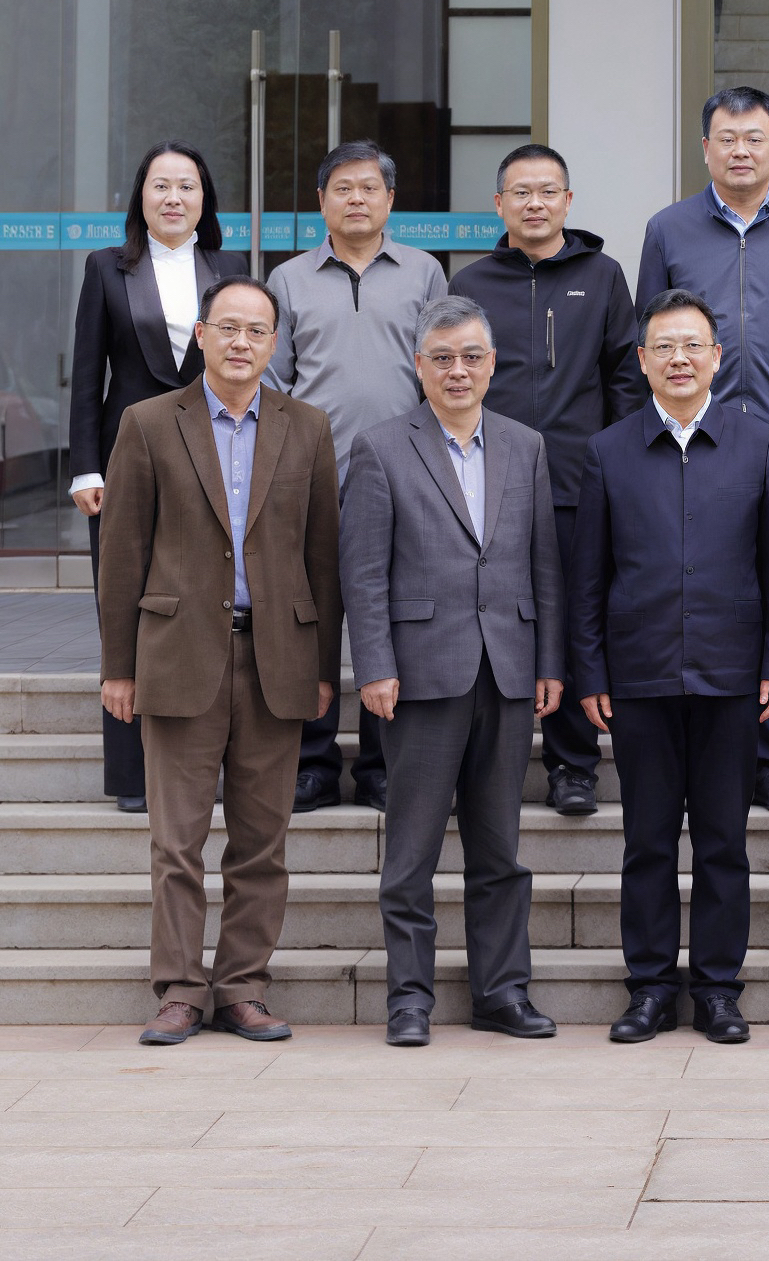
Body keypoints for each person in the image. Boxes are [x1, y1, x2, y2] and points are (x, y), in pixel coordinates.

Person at [96, 274, 340, 1048]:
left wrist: (323, 667)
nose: (241, 342)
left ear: (274, 344)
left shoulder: (308, 428)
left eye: (256, 331)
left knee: (261, 842)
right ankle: (178, 990)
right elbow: (121, 551)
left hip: (277, 659)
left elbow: (323, 557)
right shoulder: (147, 422)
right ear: (201, 336)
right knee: (176, 843)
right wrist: (118, 667)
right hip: (177, 656)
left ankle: (242, 988)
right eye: (227, 328)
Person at [570, 288, 769, 1047]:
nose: (679, 359)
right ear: (641, 360)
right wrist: (591, 673)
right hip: (639, 675)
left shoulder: (758, 444)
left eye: (693, 345)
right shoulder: (608, 451)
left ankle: (718, 991)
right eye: (664, 346)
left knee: (724, 841)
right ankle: (649, 988)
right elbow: (588, 577)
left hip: (732, 675)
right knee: (647, 841)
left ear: (716, 357)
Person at [339, 295, 563, 1048]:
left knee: (500, 850)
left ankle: (502, 993)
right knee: (411, 851)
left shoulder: (526, 445)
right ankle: (409, 999)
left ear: (492, 364)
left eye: (470, 356)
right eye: (442, 358)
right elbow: (362, 572)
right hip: (419, 675)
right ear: (419, 366)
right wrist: (374, 664)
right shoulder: (379, 449)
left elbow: (544, 564)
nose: (457, 371)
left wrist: (549, 661)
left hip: (508, 670)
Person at [638, 87, 769, 817]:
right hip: (693, 448)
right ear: (705, 148)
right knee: (703, 593)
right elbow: (648, 341)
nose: (740, 151)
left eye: (754, 138)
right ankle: (706, 755)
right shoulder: (668, 230)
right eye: (726, 138)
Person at [448, 141, 645, 819]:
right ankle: (475, 767)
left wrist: (616, 465)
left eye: (547, 191)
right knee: (485, 619)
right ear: (498, 204)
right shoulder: (470, 283)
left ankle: (573, 765)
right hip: (485, 483)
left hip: (575, 482)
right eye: (520, 193)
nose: (534, 203)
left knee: (571, 620)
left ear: (567, 201)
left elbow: (625, 378)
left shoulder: (603, 275)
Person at [267, 139, 451, 814]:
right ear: (320, 201)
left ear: (390, 199)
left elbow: (442, 372)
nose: (355, 199)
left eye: (369, 187)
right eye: (341, 188)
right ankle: (312, 765)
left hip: (403, 481)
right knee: (309, 624)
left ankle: (380, 766)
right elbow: (273, 384)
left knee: (393, 623)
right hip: (310, 480)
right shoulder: (288, 279)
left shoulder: (425, 273)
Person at [68, 141, 233, 814]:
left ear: (204, 199)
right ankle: (133, 774)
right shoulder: (107, 267)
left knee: (203, 601)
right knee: (124, 603)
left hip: (213, 457)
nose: (173, 197)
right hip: (125, 458)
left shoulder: (229, 270)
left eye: (186, 186)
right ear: (140, 196)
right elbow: (86, 374)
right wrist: (84, 465)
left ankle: (202, 764)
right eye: (160, 185)